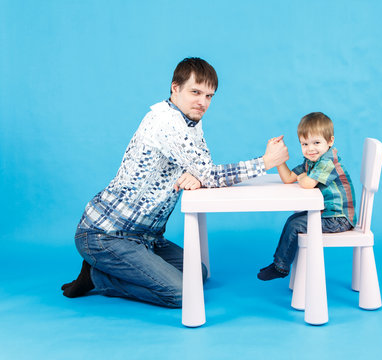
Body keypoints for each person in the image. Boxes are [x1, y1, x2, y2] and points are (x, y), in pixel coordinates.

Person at [61, 57, 289, 307]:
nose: (203, 102)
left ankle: (113, 269)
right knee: (182, 293)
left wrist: (198, 177)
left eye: (209, 96)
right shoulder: (166, 122)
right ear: (175, 88)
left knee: (198, 274)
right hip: (107, 234)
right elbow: (210, 174)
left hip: (146, 237)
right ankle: (97, 278)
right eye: (196, 92)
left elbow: (203, 169)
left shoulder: (190, 122)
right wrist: (265, 162)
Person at [257, 112, 356, 281]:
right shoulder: (311, 161)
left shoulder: (327, 162)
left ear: (330, 141)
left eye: (316, 142)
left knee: (295, 224)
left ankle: (281, 267)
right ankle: (279, 262)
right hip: (328, 214)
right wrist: (279, 159)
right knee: (293, 220)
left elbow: (308, 183)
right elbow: (289, 178)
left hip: (339, 219)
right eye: (305, 144)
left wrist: (303, 178)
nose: (310, 149)